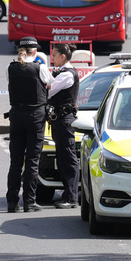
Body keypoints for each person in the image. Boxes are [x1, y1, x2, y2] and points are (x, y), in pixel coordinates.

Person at [6, 37, 53, 212]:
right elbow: (50, 85)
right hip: (35, 117)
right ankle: (29, 201)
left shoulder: (10, 68)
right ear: (35, 52)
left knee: (15, 162)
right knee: (32, 161)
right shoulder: (40, 68)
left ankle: (12, 202)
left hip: (16, 116)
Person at [47, 43, 80, 209]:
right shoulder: (62, 73)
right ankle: (68, 194)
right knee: (63, 158)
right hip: (60, 120)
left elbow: (48, 91)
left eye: (54, 55)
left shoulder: (66, 75)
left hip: (64, 120)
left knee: (68, 158)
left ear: (63, 57)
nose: (52, 58)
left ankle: (71, 197)